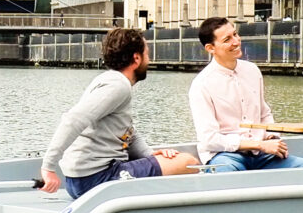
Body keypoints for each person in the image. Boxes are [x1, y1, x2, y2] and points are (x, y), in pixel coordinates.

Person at [39, 27, 200, 197]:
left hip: (82, 179)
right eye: (147, 54)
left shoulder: (107, 79)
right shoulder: (118, 86)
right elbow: (73, 120)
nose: (149, 60)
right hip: (96, 179)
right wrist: (48, 167)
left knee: (171, 161)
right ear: (136, 58)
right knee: (189, 163)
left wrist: (150, 155)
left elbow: (126, 131)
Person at [191, 16, 303, 173]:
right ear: (210, 48)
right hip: (226, 156)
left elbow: (264, 113)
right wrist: (260, 144)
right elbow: (210, 139)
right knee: (226, 174)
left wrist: (271, 136)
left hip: (262, 155)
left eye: (235, 34)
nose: (236, 42)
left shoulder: (252, 71)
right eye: (227, 39)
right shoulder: (201, 84)